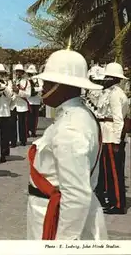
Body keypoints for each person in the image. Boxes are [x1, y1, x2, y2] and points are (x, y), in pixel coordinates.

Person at [26, 46, 107, 240]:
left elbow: (76, 195)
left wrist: (63, 244)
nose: (42, 88)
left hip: (55, 217)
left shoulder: (70, 128)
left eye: (47, 82)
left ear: (61, 85)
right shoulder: (76, 115)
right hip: (52, 209)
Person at [95, 62, 129, 215]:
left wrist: (116, 141)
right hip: (106, 135)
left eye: (108, 77)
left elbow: (118, 119)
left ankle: (118, 204)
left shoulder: (116, 94)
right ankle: (111, 199)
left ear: (114, 78)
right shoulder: (109, 91)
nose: (104, 80)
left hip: (111, 136)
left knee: (114, 172)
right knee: (107, 170)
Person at [12, 64, 31, 146]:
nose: (18, 73)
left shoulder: (26, 82)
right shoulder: (13, 81)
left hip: (22, 105)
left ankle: (23, 140)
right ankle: (13, 141)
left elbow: (28, 94)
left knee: (22, 125)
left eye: (20, 71)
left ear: (22, 73)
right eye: (17, 71)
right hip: (13, 105)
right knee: (12, 124)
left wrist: (18, 92)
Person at [26, 65, 43, 138]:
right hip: (29, 100)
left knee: (35, 118)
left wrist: (34, 89)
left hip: (36, 101)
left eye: (32, 73)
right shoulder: (26, 80)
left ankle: (33, 131)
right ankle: (27, 132)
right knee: (28, 118)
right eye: (29, 73)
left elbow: (41, 88)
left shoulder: (39, 80)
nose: (30, 75)